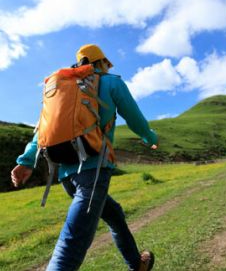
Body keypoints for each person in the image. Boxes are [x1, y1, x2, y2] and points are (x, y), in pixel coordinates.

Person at [11, 44, 158, 271]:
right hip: (94, 171)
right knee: (71, 244)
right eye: (106, 64)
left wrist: (26, 161)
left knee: (115, 216)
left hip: (67, 177)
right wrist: (149, 138)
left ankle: (136, 264)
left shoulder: (62, 88)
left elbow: (42, 130)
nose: (107, 68)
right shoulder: (111, 82)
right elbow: (134, 117)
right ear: (101, 62)